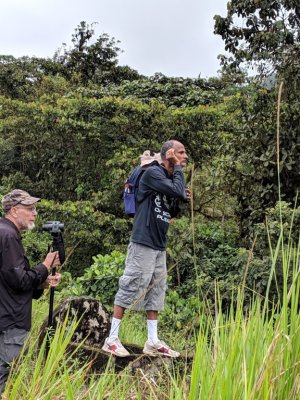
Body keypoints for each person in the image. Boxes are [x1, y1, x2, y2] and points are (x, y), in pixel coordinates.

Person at [102, 140, 189, 358]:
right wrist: (177, 171)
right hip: (143, 240)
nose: (185, 156)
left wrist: (181, 197)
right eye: (181, 153)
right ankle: (111, 339)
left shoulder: (168, 179)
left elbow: (173, 209)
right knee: (132, 283)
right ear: (169, 153)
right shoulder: (153, 173)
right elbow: (176, 190)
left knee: (157, 290)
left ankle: (152, 341)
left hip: (159, 243)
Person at [0, 189, 61, 396]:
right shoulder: (8, 236)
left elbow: (9, 279)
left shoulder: (4, 232)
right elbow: (20, 280)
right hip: (10, 322)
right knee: (6, 379)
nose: (35, 213)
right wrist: (45, 265)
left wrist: (41, 283)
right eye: (30, 209)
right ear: (15, 211)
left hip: (5, 316)